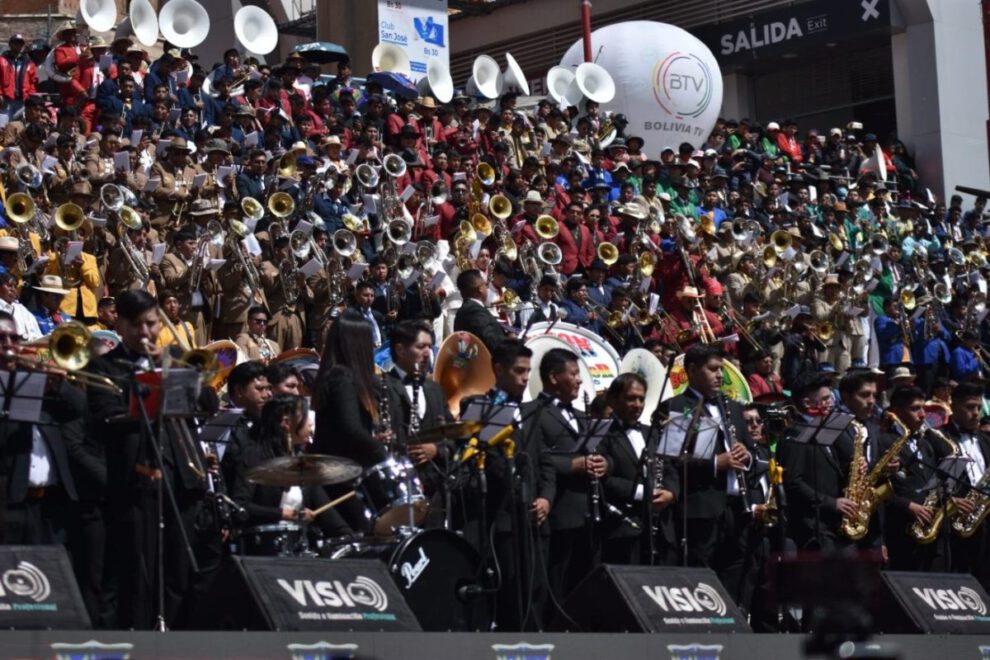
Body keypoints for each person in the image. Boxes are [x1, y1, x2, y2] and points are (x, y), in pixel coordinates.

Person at [659, 343, 754, 581]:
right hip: (701, 508)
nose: (720, 375)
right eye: (713, 369)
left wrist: (747, 456)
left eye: (721, 369)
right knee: (700, 575)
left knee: (735, 570)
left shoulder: (732, 406)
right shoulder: (678, 407)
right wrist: (714, 463)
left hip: (737, 507)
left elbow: (752, 451)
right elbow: (671, 460)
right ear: (691, 370)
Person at [521, 347, 601, 621]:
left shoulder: (581, 415)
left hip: (587, 513)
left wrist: (603, 464)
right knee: (553, 582)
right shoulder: (532, 411)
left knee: (581, 583)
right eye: (574, 374)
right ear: (554, 377)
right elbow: (532, 457)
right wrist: (571, 465)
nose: (579, 380)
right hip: (557, 511)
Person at [229, 394, 350, 540]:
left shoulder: (301, 460)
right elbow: (240, 505)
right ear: (286, 422)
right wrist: (282, 513)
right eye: (305, 416)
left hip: (298, 544)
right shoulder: (254, 456)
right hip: (263, 546)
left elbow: (324, 507)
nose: (311, 425)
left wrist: (347, 536)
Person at [598, 373, 679, 565]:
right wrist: (644, 493)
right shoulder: (604, 435)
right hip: (626, 527)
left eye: (641, 399)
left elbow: (670, 468)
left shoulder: (651, 432)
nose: (637, 404)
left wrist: (671, 493)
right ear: (615, 400)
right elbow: (606, 480)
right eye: (630, 398)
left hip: (660, 527)